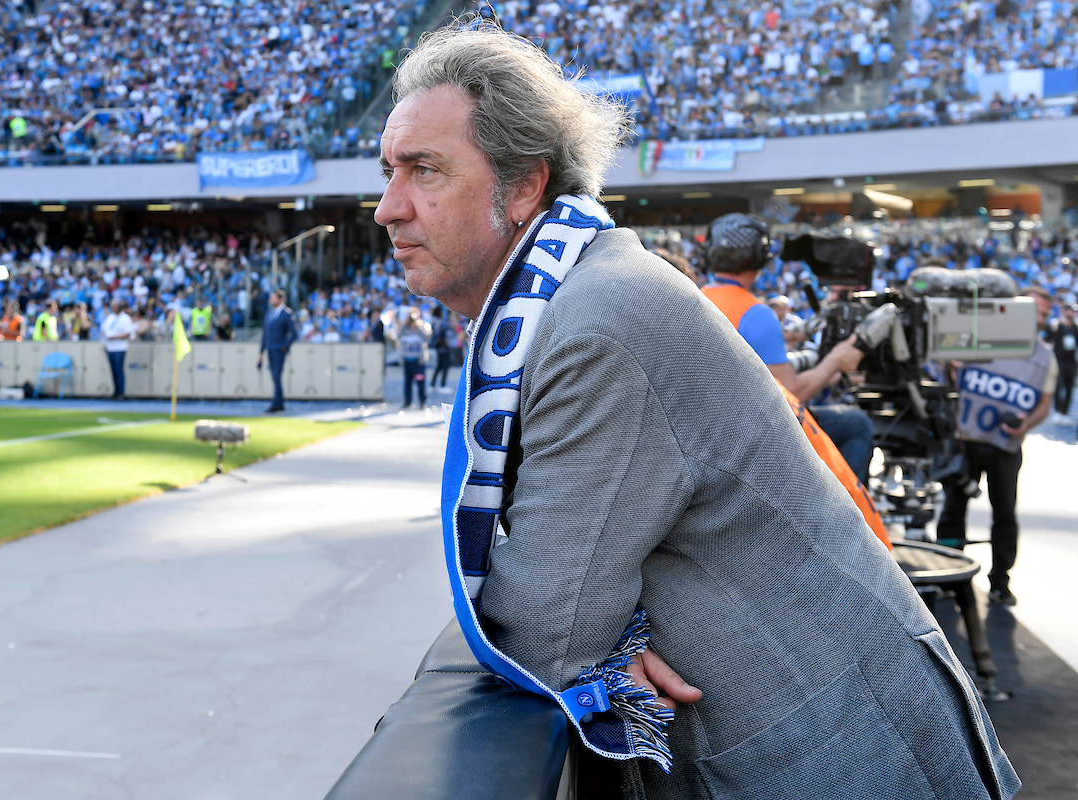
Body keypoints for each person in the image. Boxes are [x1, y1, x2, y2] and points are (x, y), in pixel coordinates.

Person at [374, 21, 1018, 798]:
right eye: (388, 172)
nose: (387, 208)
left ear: (523, 186)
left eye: (424, 170)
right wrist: (607, 636)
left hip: (848, 756)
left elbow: (543, 625)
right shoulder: (585, 288)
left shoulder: (595, 327)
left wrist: (600, 639)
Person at [701, 213, 875, 479]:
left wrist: (795, 335)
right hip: (753, 438)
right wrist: (835, 361)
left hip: (715, 432)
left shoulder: (700, 297)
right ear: (760, 256)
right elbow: (791, 395)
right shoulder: (757, 314)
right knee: (858, 425)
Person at [937, 287, 1058, 606]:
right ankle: (946, 570)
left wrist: (1026, 422)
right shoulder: (979, 336)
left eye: (1045, 314)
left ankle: (1001, 580)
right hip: (966, 441)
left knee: (1005, 514)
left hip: (1006, 446)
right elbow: (943, 364)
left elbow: (1044, 404)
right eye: (1036, 311)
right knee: (952, 509)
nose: (1040, 319)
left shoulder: (1045, 356)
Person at [257, 290, 297, 413]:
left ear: (280, 299)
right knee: (275, 377)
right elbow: (265, 334)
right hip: (270, 349)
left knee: (276, 376)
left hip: (279, 351)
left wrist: (285, 346)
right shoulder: (269, 313)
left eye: (273, 298)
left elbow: (294, 333)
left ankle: (276, 404)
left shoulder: (287, 314)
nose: (270, 300)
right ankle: (279, 403)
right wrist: (261, 352)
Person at [1044, 301, 1076, 425]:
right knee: (1058, 386)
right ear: (1064, 311)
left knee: (1069, 388)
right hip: (1057, 360)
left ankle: (1065, 413)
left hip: (1071, 361)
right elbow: (1046, 341)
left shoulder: (1075, 327)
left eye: (1073, 311)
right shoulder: (1055, 326)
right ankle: (1058, 411)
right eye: (1070, 311)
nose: (1072, 313)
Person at [100, 299, 134, 400]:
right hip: (110, 347)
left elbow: (128, 333)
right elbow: (104, 330)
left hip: (120, 348)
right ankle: (115, 391)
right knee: (113, 370)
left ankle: (121, 392)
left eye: (115, 306)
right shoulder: (110, 317)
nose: (113, 308)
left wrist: (114, 337)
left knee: (119, 370)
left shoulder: (125, 318)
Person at [397, 308, 431, 408]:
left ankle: (422, 402)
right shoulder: (404, 327)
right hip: (407, 360)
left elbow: (427, 336)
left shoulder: (423, 326)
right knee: (407, 382)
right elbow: (398, 335)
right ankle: (407, 401)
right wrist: (405, 323)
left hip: (418, 361)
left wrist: (418, 325)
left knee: (420, 382)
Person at [429, 305, 453, 388]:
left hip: (439, 346)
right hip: (443, 346)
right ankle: (442, 385)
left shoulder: (433, 320)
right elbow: (444, 331)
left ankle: (433, 384)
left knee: (439, 366)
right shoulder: (440, 322)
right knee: (445, 365)